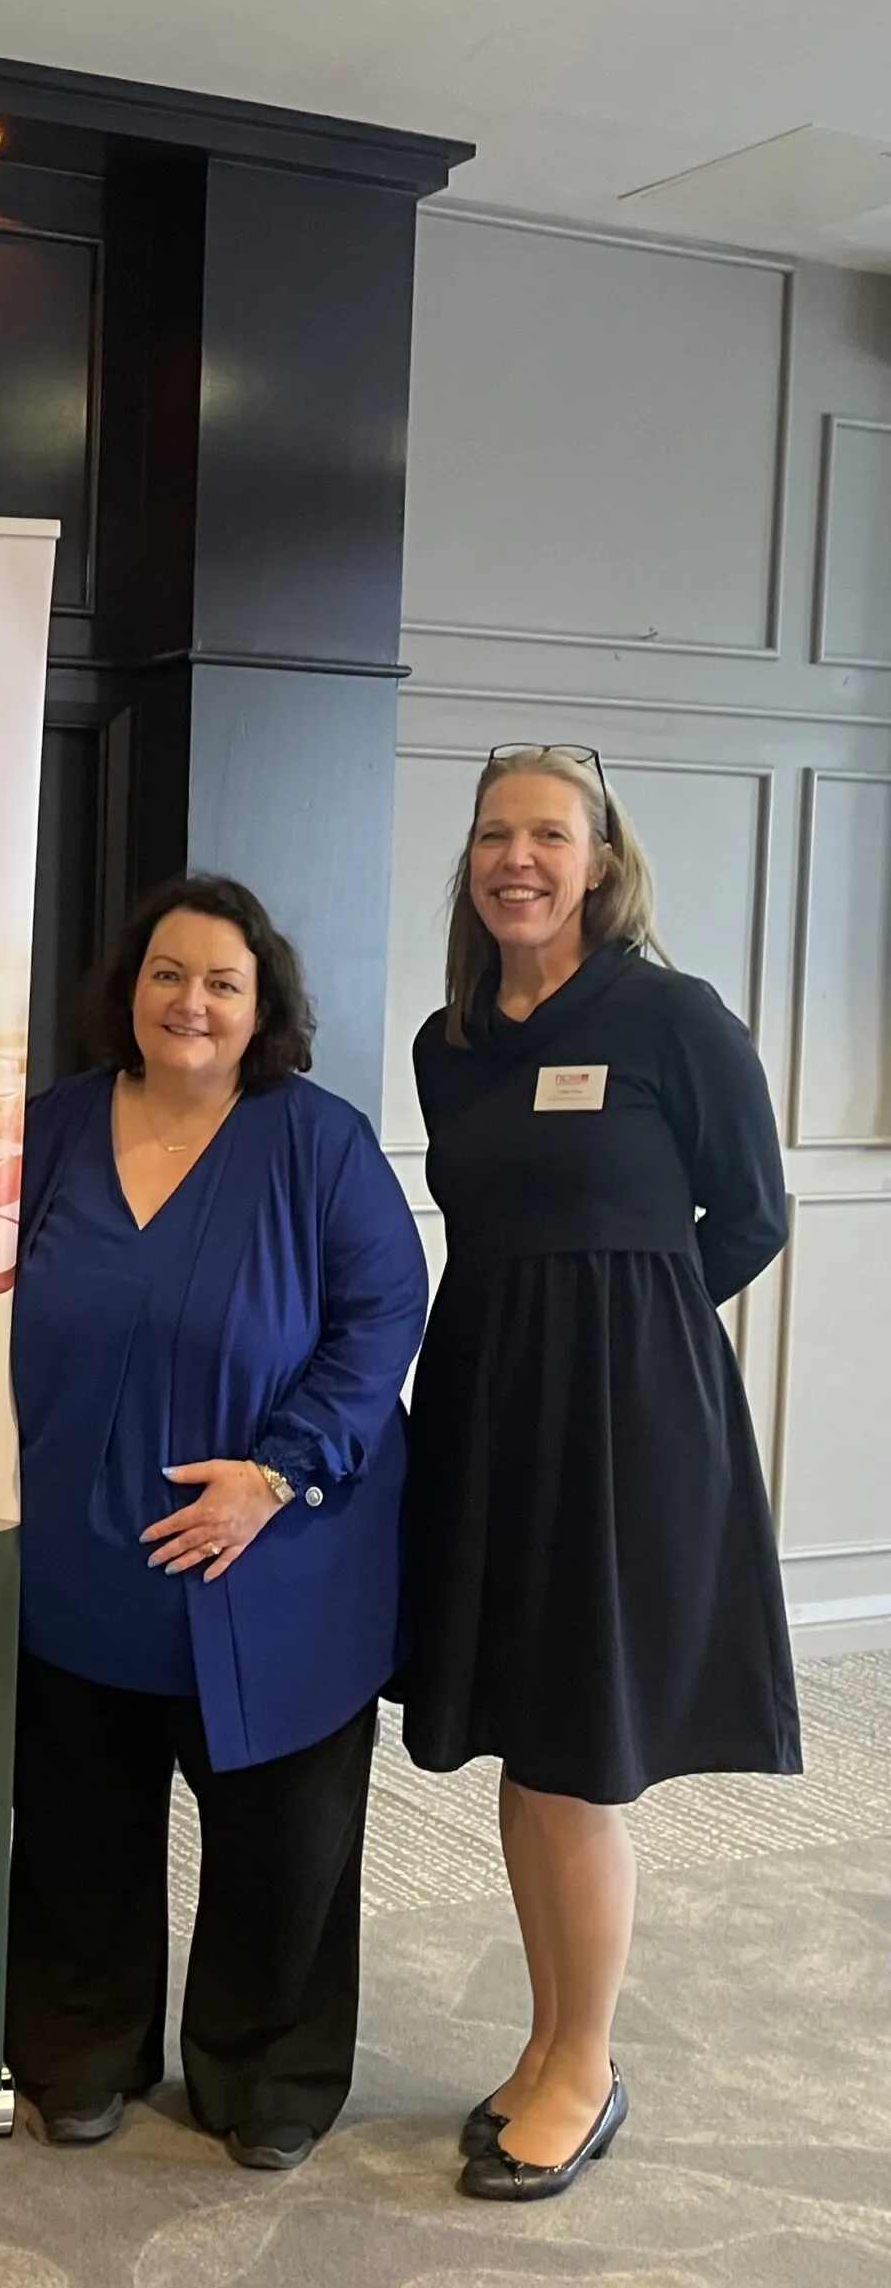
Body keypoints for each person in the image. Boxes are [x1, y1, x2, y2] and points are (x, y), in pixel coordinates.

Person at [403, 746, 797, 2202]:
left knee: (581, 1752)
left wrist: (634, 1335)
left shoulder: (671, 1015)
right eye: (496, 833)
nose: (520, 856)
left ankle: (587, 2064)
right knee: (526, 1733)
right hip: (488, 1401)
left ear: (600, 857)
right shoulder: (453, 1040)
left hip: (623, 1417)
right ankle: (547, 2041)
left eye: (549, 834)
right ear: (473, 860)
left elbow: (752, 1216)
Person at [7, 876, 428, 2173]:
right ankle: (81, 2049)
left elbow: (378, 1327)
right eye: (167, 974)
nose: (191, 1002)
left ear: (264, 1008)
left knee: (284, 1845)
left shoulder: (319, 1143)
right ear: (126, 992)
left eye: (222, 982)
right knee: (80, 1828)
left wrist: (275, 1474)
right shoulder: (49, 1133)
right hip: (82, 1557)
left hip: (281, 1559)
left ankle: (270, 2071)